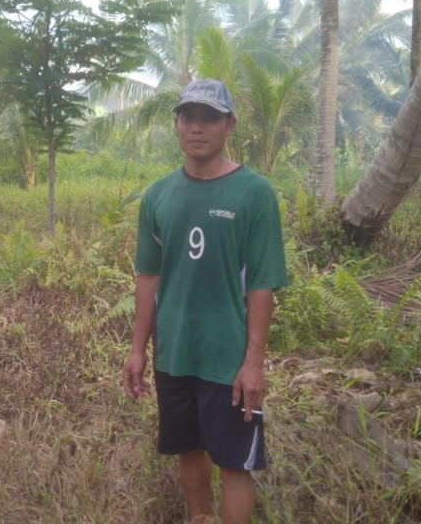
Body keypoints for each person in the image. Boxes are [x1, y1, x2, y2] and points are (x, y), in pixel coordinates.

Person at [121, 79, 288, 524]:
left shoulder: (255, 193)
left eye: (209, 117)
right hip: (174, 351)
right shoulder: (158, 196)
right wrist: (138, 349)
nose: (197, 127)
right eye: (188, 117)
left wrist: (254, 362)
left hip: (228, 357)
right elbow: (149, 277)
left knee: (236, 461)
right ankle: (199, 517)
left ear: (229, 125)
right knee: (187, 446)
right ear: (176, 124)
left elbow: (262, 284)